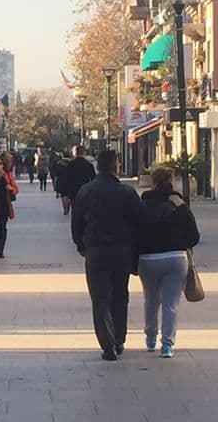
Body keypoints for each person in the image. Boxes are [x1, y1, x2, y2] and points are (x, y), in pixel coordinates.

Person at [71, 149, 142, 361]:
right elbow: (139, 222)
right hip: (122, 250)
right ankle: (120, 338)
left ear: (97, 167)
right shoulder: (127, 192)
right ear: (116, 166)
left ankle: (107, 344)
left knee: (100, 298)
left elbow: (76, 223)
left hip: (96, 251)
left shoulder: (85, 191)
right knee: (120, 295)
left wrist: (81, 245)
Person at [137, 167, 200, 358]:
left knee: (151, 299)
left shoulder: (143, 203)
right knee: (170, 303)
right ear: (171, 181)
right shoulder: (180, 203)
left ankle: (150, 338)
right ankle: (167, 345)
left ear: (153, 182)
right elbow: (194, 236)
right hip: (175, 258)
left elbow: (135, 230)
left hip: (148, 259)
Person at [60, 145, 96, 215]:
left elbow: (66, 180)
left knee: (75, 213)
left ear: (75, 153)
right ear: (84, 153)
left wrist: (65, 194)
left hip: (74, 193)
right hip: (85, 192)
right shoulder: (88, 165)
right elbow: (93, 179)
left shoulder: (70, 165)